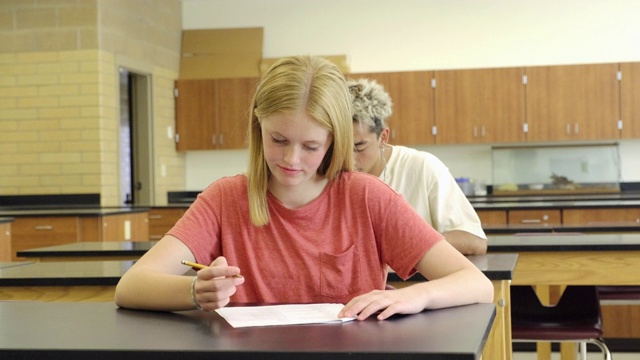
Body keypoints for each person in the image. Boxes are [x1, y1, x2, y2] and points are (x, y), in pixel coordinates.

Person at [115, 56, 493, 321]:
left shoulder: (367, 196)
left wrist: (416, 295)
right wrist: (194, 293)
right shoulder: (225, 199)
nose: (291, 159)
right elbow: (131, 286)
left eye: (310, 146)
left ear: (334, 141)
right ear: (257, 127)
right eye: (278, 139)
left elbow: (475, 283)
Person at [348, 78, 488, 255]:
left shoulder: (423, 168)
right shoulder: (325, 173)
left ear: (383, 137)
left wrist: (409, 241)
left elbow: (474, 240)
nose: (349, 159)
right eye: (340, 148)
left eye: (359, 147)